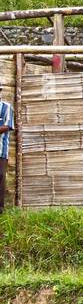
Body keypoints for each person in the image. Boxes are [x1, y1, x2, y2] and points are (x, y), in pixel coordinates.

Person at [0, 81, 12, 214]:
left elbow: (7, 126)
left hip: (1, 151)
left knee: (0, 177)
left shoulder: (6, 107)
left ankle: (0, 210)